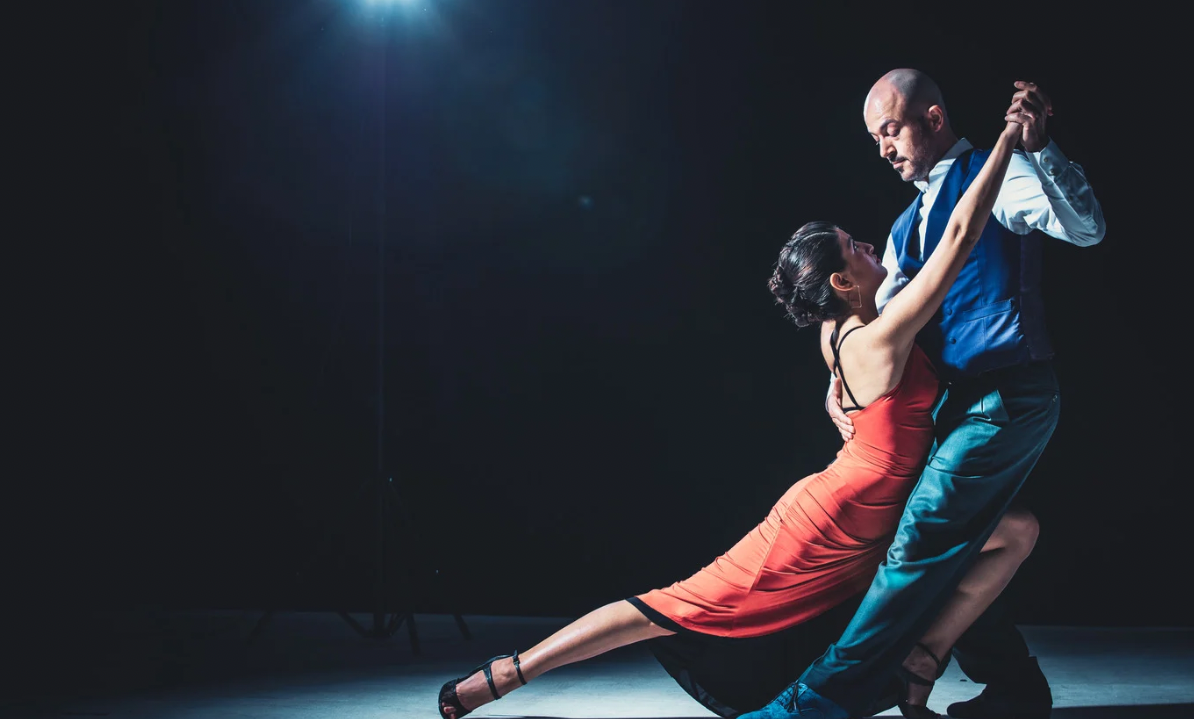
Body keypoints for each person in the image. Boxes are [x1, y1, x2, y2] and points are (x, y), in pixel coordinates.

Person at [436, 116, 1034, 719]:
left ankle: (920, 665)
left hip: (879, 505)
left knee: (1017, 531)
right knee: (675, 607)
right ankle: (507, 674)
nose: (872, 248)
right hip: (834, 520)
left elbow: (845, 388)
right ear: (840, 281)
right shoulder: (880, 339)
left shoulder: (837, 329)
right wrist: (1005, 142)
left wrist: (836, 400)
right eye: (857, 248)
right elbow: (959, 236)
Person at [739, 71, 1104, 719]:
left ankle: (822, 700)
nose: (882, 148)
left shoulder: (1001, 176)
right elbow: (872, 316)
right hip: (952, 409)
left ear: (932, 118)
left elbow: (1085, 230)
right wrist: (835, 377)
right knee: (959, 541)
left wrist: (1042, 152)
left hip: (1005, 393)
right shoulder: (905, 226)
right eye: (873, 138)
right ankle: (1009, 688)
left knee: (922, 540)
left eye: (890, 129)